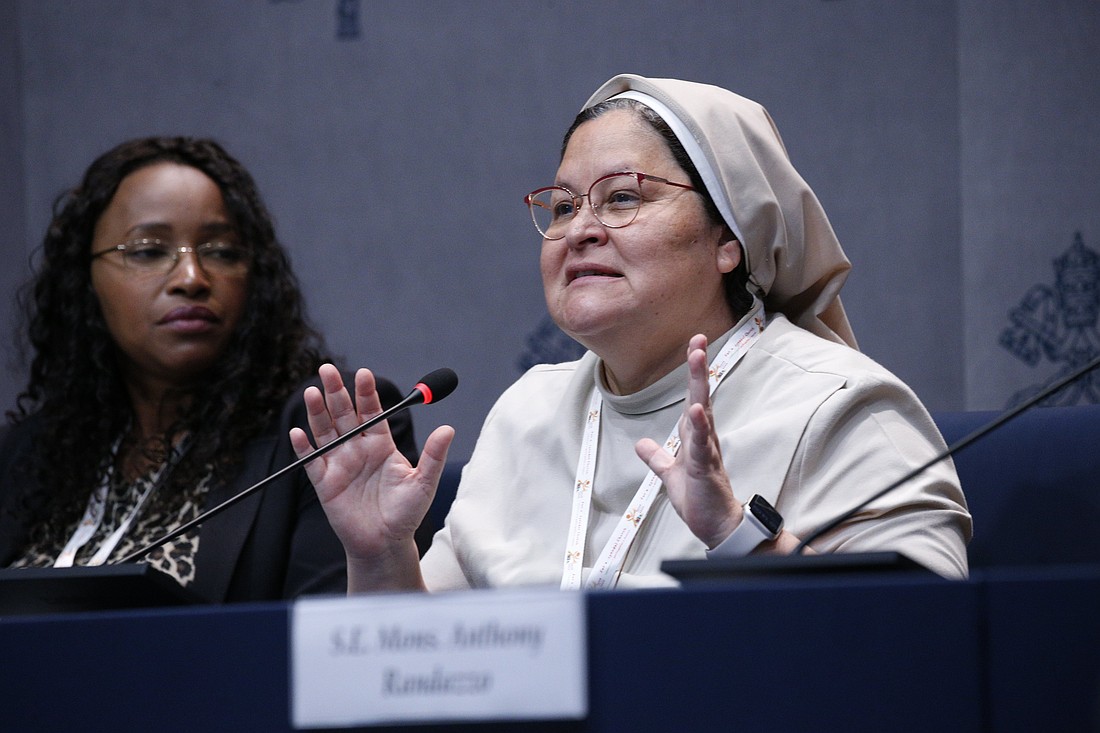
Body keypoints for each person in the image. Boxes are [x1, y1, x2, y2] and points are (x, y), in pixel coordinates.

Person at [292, 74, 972, 593]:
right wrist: (380, 553)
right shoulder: (525, 413)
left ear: (728, 238)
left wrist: (740, 536)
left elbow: (929, 649)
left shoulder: (843, 405)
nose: (581, 228)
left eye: (623, 196)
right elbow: (420, 671)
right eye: (561, 207)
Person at [0, 136, 421, 602]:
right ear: (84, 279)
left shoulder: (330, 431)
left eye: (221, 252)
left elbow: (340, 648)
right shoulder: (25, 456)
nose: (192, 278)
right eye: (147, 251)